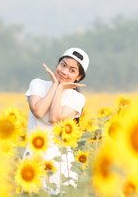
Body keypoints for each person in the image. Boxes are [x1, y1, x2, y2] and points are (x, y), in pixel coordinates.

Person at [23, 47, 89, 193]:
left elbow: (54, 118)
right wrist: (54, 85)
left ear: (78, 77)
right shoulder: (38, 84)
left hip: (60, 164)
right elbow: (38, 111)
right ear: (58, 64)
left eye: (72, 70)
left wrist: (59, 89)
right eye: (63, 65)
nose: (64, 72)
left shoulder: (77, 98)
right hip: (33, 160)